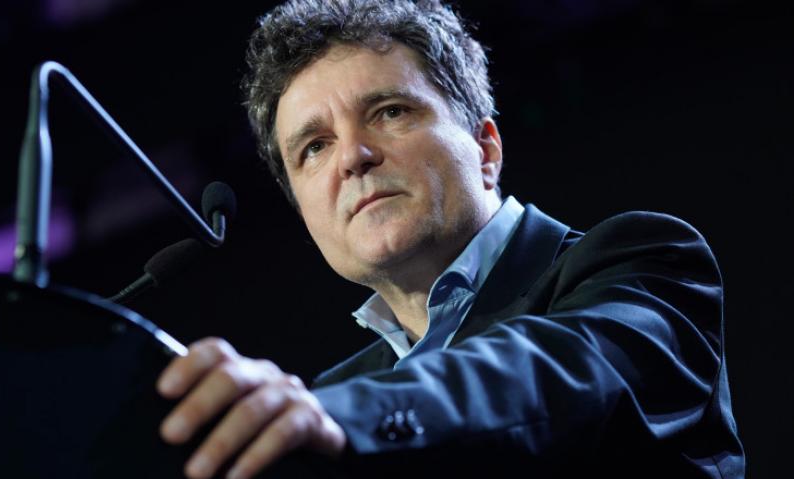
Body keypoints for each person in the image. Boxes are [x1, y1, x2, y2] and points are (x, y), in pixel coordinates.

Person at [155, 1, 745, 478]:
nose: (353, 157)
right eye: (314, 148)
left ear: (486, 149)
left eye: (389, 112)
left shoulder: (644, 264)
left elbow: (552, 382)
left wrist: (343, 416)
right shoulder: (333, 396)